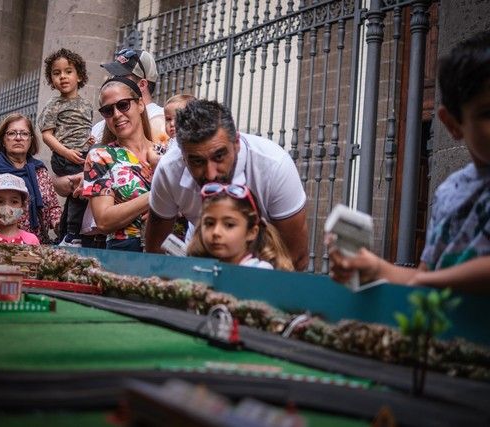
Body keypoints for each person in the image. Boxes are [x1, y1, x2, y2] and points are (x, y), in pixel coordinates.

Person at [328, 31, 490, 293]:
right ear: (452, 123)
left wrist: (428, 281)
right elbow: (423, 277)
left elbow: (428, 281)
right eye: (487, 113)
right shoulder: (451, 192)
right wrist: (375, 269)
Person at [145, 100, 309, 271]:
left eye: (219, 156)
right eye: (197, 161)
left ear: (236, 142)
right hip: (198, 268)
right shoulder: (169, 169)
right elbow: (154, 251)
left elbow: (296, 258)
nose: (211, 174)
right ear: (182, 154)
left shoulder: (275, 165)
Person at [82, 77, 158, 252]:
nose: (116, 114)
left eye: (123, 105)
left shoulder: (167, 153)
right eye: (108, 110)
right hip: (125, 253)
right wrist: (156, 196)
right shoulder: (101, 156)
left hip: (171, 251)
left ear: (140, 104)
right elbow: (103, 220)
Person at [0, 114, 61, 243]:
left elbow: (53, 207)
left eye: (24, 134)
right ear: (3, 140)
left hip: (33, 247)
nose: (18, 138)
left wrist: (58, 223)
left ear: (31, 140)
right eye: (12, 133)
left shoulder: (40, 171)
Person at [37, 48, 93, 247]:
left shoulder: (86, 105)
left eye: (68, 71)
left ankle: (63, 236)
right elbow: (46, 135)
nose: (62, 77)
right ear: (51, 79)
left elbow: (83, 130)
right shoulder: (54, 104)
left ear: (79, 76)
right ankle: (72, 234)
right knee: (82, 189)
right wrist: (66, 152)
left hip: (81, 154)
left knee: (75, 194)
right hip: (64, 156)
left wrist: (89, 142)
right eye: (56, 73)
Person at [187, 183, 294, 270]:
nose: (216, 232)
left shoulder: (259, 273)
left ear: (251, 232)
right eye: (209, 223)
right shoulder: (200, 269)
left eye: (229, 225)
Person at [92, 49, 166, 144]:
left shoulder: (161, 120)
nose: (114, 80)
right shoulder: (100, 127)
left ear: (142, 84)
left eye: (121, 76)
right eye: (113, 75)